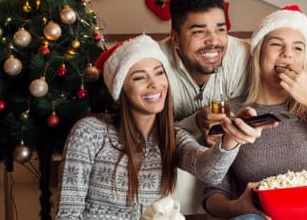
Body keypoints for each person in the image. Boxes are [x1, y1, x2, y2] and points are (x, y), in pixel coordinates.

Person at [55, 34, 271, 219]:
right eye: (140, 78)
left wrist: (232, 136)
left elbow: (209, 171)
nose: (154, 84)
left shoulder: (172, 137)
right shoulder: (89, 132)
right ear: (121, 90)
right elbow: (68, 214)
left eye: (159, 73)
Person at [202, 5, 307, 220]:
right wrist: (238, 207)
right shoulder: (233, 112)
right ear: (259, 54)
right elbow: (213, 195)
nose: (287, 54)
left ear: (304, 60)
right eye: (276, 44)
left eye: (298, 48)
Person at [159, 0, 251, 139]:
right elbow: (147, 132)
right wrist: (194, 123)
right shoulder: (154, 63)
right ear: (175, 39)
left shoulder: (243, 56)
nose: (214, 41)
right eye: (199, 32)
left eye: (220, 29)